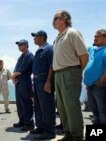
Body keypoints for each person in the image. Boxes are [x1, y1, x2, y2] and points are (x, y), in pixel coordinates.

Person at [52, 10, 88, 141]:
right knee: (61, 107)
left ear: (64, 19)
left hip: (70, 72)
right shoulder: (58, 37)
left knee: (72, 106)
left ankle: (77, 136)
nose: (53, 21)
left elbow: (84, 55)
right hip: (58, 74)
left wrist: (76, 71)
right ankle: (68, 134)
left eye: (56, 18)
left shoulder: (72, 33)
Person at [30, 30, 56, 140]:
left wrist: (48, 82)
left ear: (42, 37)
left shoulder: (48, 49)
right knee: (38, 106)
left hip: (44, 79)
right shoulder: (39, 50)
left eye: (35, 36)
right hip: (37, 81)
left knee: (47, 106)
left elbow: (51, 66)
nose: (34, 38)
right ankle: (40, 127)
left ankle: (49, 131)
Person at [83, 29, 106, 125]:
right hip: (90, 86)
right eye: (94, 36)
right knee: (95, 112)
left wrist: (101, 80)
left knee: (103, 112)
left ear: (105, 38)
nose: (94, 38)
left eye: (97, 37)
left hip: (100, 86)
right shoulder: (92, 49)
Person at [11, 39, 34, 132]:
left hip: (25, 81)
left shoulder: (29, 55)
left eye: (21, 44)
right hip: (19, 82)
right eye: (18, 45)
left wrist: (13, 76)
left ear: (26, 45)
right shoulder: (21, 57)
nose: (19, 46)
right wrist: (14, 78)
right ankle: (22, 120)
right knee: (20, 103)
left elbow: (21, 70)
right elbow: (16, 69)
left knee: (26, 103)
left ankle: (29, 123)